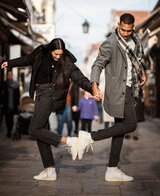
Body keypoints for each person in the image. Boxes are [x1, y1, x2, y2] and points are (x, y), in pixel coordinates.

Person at [1, 38, 100, 181]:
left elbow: (80, 78)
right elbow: (26, 59)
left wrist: (92, 89)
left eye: (61, 54)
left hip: (51, 95)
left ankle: (69, 141)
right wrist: (10, 63)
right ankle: (50, 169)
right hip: (39, 94)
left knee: (33, 129)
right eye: (56, 54)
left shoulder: (67, 63)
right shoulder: (40, 52)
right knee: (42, 131)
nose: (58, 57)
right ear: (50, 50)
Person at [77, 13, 146, 181]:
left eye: (129, 30)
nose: (125, 33)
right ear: (118, 24)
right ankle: (90, 136)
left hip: (130, 88)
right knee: (131, 124)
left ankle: (112, 169)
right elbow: (98, 64)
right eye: (123, 29)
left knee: (120, 130)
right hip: (118, 92)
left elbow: (134, 61)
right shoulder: (111, 43)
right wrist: (94, 85)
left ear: (133, 28)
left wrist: (141, 71)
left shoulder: (135, 40)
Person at [0, 69, 20, 138]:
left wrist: (18, 104)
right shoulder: (4, 84)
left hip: (13, 103)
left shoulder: (16, 84)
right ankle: (8, 130)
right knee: (6, 118)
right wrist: (1, 102)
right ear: (7, 75)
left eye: (11, 75)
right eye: (8, 75)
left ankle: (10, 130)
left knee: (11, 118)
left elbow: (18, 95)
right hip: (6, 104)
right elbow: (1, 94)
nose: (10, 76)